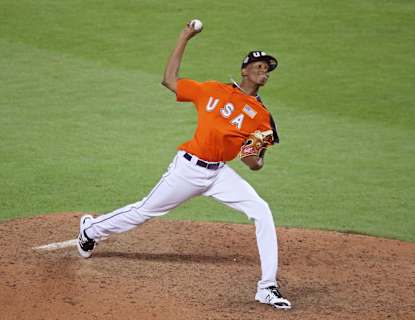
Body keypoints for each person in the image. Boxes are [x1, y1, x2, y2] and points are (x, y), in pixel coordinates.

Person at [76, 21, 291, 310]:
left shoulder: (262, 117)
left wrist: (252, 155)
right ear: (244, 70)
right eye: (258, 65)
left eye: (267, 68)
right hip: (187, 170)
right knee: (144, 211)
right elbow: (169, 80)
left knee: (261, 210)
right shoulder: (213, 90)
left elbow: (254, 163)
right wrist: (185, 36)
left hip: (219, 174)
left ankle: (267, 287)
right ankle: (90, 231)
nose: (263, 71)